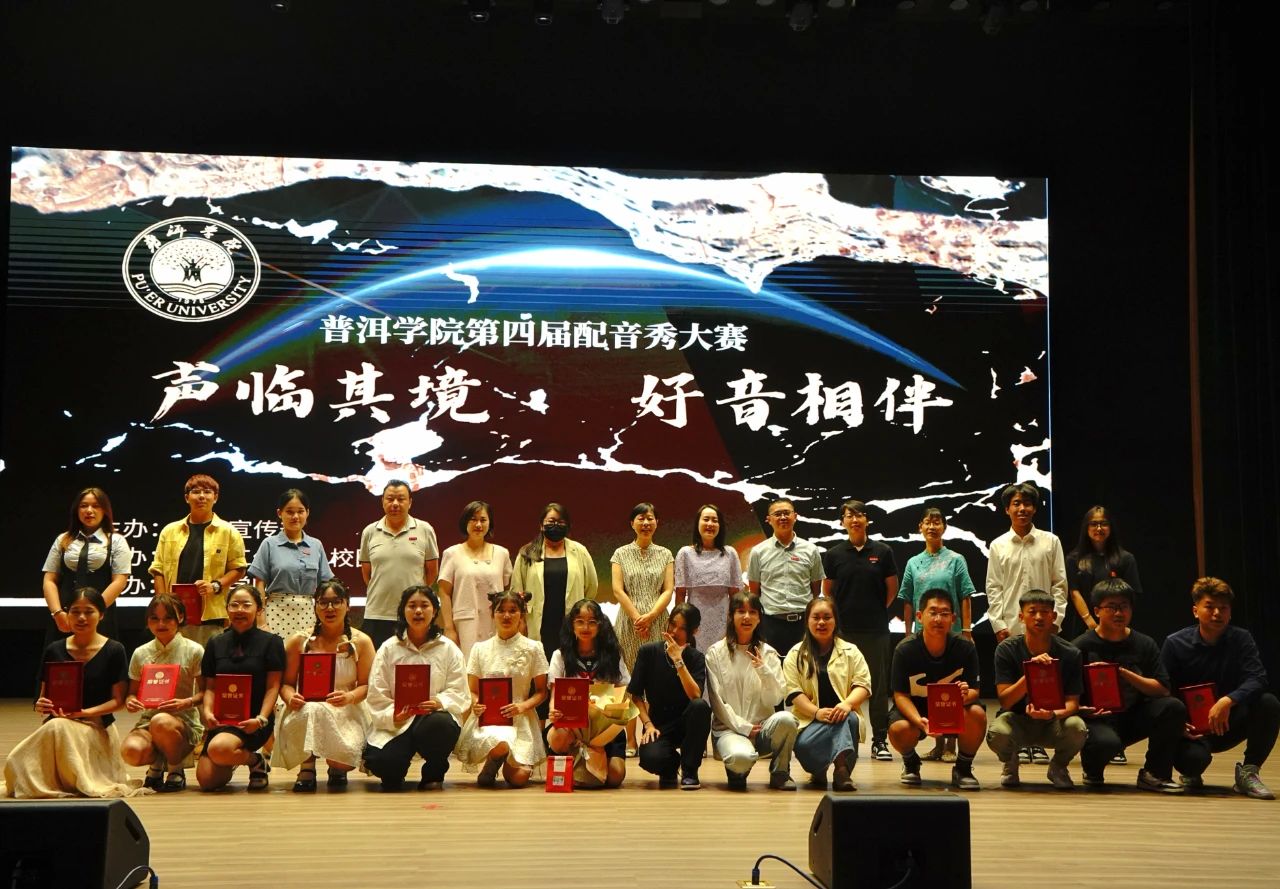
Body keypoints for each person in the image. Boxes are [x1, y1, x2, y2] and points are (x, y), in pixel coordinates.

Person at [2, 587, 136, 798]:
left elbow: (118, 701)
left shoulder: (114, 650)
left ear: (101, 615)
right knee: (15, 761)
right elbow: (43, 697)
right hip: (57, 726)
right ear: (67, 614)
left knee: (58, 727)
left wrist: (84, 712)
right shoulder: (54, 649)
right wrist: (41, 705)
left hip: (96, 727)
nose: (81, 617)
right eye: (75, 611)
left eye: (89, 611)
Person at [1160, 577, 1278, 799]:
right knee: (1193, 762)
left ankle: (1248, 772)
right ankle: (1190, 772)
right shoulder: (1175, 643)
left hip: (1228, 721)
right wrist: (1178, 724)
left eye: (1223, 608)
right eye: (1210, 607)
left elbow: (1258, 677)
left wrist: (1227, 701)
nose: (1217, 613)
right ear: (1195, 611)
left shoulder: (1241, 639)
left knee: (1268, 703)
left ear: (1230, 613)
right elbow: (1164, 689)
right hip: (1192, 729)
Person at [1071, 578, 1184, 792]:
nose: (1119, 613)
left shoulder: (1144, 643)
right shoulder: (1080, 646)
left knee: (1172, 707)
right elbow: (1066, 692)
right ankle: (1093, 769)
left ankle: (1154, 773)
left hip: (1132, 717)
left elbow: (1162, 688)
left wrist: (1122, 673)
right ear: (1097, 611)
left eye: (1124, 606)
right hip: (1096, 719)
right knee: (1106, 743)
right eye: (1111, 607)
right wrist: (1081, 710)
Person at [984, 482, 1067, 766]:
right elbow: (993, 587)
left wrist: (1057, 619)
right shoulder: (998, 545)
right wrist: (998, 624)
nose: (1022, 508)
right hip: (1011, 625)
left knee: (1044, 681)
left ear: (1034, 508)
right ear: (1007, 510)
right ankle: (1018, 741)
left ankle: (1040, 740)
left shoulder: (1050, 541)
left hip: (1044, 625)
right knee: (1016, 684)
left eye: (1027, 503)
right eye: (1016, 504)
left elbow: (1059, 584)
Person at [363, 585, 469, 791]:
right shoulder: (388, 648)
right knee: (382, 762)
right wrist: (394, 714)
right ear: (403, 611)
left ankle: (434, 773)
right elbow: (377, 693)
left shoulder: (448, 649)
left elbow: (459, 691)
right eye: (412, 606)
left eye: (424, 605)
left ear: (434, 611)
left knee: (440, 725)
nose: (418, 611)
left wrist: (439, 702)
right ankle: (395, 771)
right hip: (397, 720)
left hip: (432, 718)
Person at [273, 580, 375, 792]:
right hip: (305, 707)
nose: (330, 608)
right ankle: (307, 768)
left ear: (347, 605)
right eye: (323, 602)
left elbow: (366, 686)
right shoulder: (299, 641)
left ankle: (336, 767)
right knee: (311, 710)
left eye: (336, 602)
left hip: (346, 708)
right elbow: (286, 684)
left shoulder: (361, 641)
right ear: (315, 606)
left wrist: (349, 697)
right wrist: (291, 697)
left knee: (342, 763)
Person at [985, 590, 1087, 789]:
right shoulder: (1006, 649)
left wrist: (1052, 714)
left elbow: (1073, 703)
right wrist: (1031, 672)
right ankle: (1010, 762)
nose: (1039, 617)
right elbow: (1005, 700)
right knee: (998, 733)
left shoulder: (1070, 653)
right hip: (1018, 719)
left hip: (1054, 721)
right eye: (1032, 612)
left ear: (1054, 616)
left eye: (1045, 612)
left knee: (1077, 728)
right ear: (1021, 616)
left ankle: (1058, 767)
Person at [822, 499, 899, 763]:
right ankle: (840, 739)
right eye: (849, 516)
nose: (855, 520)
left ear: (866, 520)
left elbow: (891, 589)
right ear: (842, 521)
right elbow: (828, 592)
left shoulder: (883, 551)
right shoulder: (834, 554)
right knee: (841, 686)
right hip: (843, 632)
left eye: (859, 515)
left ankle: (880, 740)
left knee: (877, 687)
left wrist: (874, 610)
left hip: (876, 630)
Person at [898, 508, 977, 762]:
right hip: (923, 636)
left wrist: (966, 630)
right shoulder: (913, 562)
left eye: (937, 522)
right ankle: (937, 742)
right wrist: (908, 633)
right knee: (932, 689)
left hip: (951, 633)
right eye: (927, 522)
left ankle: (951, 744)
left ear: (944, 527)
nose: (932, 527)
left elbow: (965, 595)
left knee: (952, 688)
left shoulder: (956, 559)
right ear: (920, 527)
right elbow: (907, 599)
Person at [888, 590, 986, 791]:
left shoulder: (965, 648)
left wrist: (964, 695)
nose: (938, 619)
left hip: (952, 709)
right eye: (932, 612)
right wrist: (919, 722)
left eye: (944, 613)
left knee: (977, 714)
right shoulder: (905, 650)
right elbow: (900, 696)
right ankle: (911, 763)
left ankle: (963, 769)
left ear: (953, 619)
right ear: (919, 616)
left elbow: (975, 691)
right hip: (918, 711)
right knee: (898, 729)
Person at [705, 590, 799, 790]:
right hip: (729, 730)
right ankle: (740, 767)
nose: (747, 617)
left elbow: (775, 700)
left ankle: (780, 773)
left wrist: (763, 670)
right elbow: (717, 703)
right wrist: (744, 727)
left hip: (762, 729)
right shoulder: (715, 653)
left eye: (752, 612)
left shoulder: (768, 653)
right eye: (741, 611)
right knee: (740, 759)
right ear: (731, 616)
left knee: (787, 719)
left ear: (759, 618)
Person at [455, 591, 549, 788]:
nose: (506, 616)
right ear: (493, 614)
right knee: (500, 743)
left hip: (520, 716)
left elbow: (542, 692)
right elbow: (472, 690)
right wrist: (476, 703)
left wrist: (523, 706)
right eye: (501, 611)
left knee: (518, 779)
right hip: (489, 718)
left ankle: (505, 762)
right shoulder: (480, 648)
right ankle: (493, 761)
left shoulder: (534, 648)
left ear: (521, 614)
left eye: (513, 611)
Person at [197, 583, 285, 791]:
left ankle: (248, 758)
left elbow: (273, 687)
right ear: (226, 609)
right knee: (207, 781)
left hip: (254, 720)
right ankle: (252, 759)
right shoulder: (215, 642)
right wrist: (207, 712)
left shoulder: (272, 642)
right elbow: (211, 687)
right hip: (222, 720)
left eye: (246, 605)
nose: (239, 610)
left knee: (219, 748)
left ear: (259, 609)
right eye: (234, 605)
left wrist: (261, 719)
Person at [149, 473, 248, 646]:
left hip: (211, 615)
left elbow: (239, 569)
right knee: (174, 661)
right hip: (174, 615)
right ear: (187, 497)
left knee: (208, 661)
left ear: (215, 497)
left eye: (207, 492)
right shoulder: (169, 531)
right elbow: (158, 570)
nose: (202, 496)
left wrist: (215, 585)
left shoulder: (229, 531)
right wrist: (164, 605)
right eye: (196, 492)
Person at [120, 594, 205, 792]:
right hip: (148, 722)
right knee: (131, 751)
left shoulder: (194, 650)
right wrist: (131, 702)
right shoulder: (141, 653)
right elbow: (131, 694)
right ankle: (156, 765)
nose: (161, 624)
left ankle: (176, 770)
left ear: (180, 618)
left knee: (161, 721)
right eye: (154, 618)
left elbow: (206, 692)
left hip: (183, 724)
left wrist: (186, 702)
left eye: (168, 618)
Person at [783, 597, 870, 791]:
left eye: (827, 617)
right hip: (810, 723)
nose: (821, 622)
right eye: (816, 617)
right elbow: (793, 692)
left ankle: (841, 771)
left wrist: (847, 704)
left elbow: (863, 685)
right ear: (807, 621)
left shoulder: (851, 651)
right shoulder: (795, 654)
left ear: (835, 621)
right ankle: (820, 769)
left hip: (844, 719)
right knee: (805, 744)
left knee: (849, 718)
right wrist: (816, 712)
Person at [546, 599, 630, 789]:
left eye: (592, 622)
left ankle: (594, 762)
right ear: (572, 625)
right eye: (580, 622)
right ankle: (570, 763)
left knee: (616, 776)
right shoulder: (560, 655)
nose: (586, 627)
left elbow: (622, 692)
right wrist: (553, 712)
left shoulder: (612, 654)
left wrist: (611, 707)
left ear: (600, 624)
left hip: (605, 729)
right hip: (571, 727)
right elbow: (554, 695)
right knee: (558, 738)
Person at [627, 602, 711, 789]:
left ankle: (690, 770)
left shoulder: (696, 658)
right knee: (650, 758)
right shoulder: (648, 652)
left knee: (700, 707)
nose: (674, 632)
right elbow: (636, 696)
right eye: (672, 624)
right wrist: (647, 724)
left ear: (694, 631)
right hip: (658, 725)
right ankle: (671, 766)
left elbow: (695, 695)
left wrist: (678, 661)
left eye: (682, 628)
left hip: (686, 725)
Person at [510, 502, 598, 667]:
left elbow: (591, 586)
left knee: (568, 666)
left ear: (568, 526)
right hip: (538, 621)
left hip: (570, 619)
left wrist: (581, 609)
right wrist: (521, 621)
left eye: (560, 522)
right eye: (551, 522)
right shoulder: (527, 552)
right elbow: (517, 589)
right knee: (538, 667)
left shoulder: (580, 551)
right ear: (541, 525)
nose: (555, 526)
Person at [41, 486, 132, 643]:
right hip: (65, 617)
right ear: (77, 510)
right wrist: (57, 613)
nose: (89, 511)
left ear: (105, 510)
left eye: (96, 506)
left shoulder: (116, 541)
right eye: (83, 506)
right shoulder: (63, 539)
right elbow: (49, 579)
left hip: (101, 617)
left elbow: (119, 581)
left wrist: (93, 612)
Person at [358, 480, 442, 649]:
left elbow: (432, 572)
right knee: (377, 663)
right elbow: (368, 574)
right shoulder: (369, 531)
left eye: (401, 499)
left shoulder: (424, 529)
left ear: (410, 502)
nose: (395, 503)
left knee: (413, 662)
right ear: (382, 501)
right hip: (377, 613)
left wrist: (414, 596)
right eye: (390, 499)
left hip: (413, 615)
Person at [248, 488, 336, 640]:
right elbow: (259, 586)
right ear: (279, 513)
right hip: (275, 613)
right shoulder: (269, 544)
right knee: (277, 655)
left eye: (300, 511)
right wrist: (261, 622)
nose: (295, 516)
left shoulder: (316, 545)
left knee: (305, 654)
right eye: (289, 512)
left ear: (307, 513)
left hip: (308, 614)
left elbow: (326, 585)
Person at [747, 497, 824, 659]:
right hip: (771, 624)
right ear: (769, 520)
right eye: (777, 514)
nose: (783, 517)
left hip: (804, 623)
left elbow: (815, 590)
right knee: (772, 669)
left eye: (786, 513)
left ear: (795, 516)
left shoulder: (811, 550)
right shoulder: (758, 552)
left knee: (805, 668)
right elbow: (754, 592)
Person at [437, 500, 514, 661]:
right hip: (465, 623)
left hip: (495, 623)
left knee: (495, 666)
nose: (478, 524)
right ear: (465, 522)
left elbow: (508, 589)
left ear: (489, 523)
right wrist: (449, 628)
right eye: (473, 519)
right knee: (467, 666)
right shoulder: (452, 553)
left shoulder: (502, 553)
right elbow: (444, 592)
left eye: (483, 520)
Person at [1064, 505, 1142, 640]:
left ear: (1110, 527)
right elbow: (1074, 592)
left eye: (1104, 524)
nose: (1099, 528)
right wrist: (1090, 621)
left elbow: (1132, 594)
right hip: (1085, 626)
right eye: (1094, 524)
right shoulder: (1073, 559)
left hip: (1118, 626)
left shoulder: (1126, 559)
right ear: (1086, 528)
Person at [674, 503, 745, 644]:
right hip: (694, 623)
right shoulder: (685, 553)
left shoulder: (730, 553)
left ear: (720, 526)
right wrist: (680, 628)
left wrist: (734, 626)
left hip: (724, 623)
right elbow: (680, 594)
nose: (710, 524)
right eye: (706, 519)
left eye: (715, 520)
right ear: (697, 523)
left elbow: (735, 595)